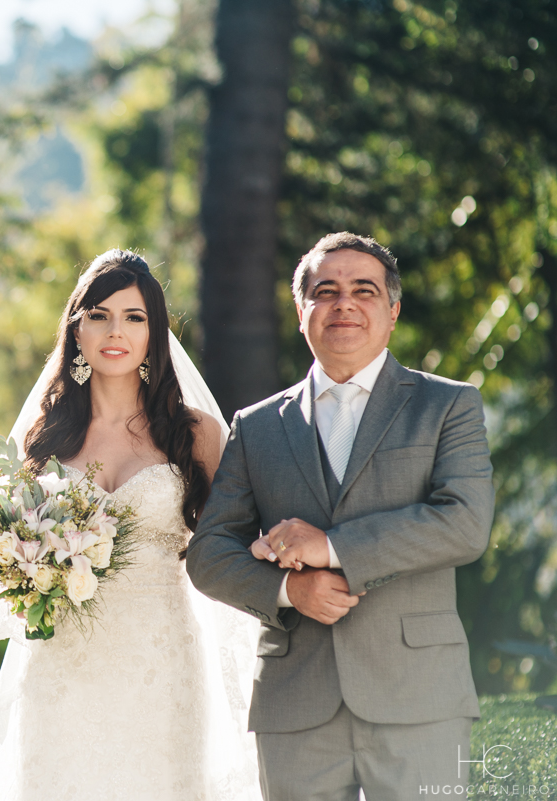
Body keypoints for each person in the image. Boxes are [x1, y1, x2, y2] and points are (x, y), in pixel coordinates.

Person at [185, 232, 494, 801]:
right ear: (300, 312)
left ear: (392, 310)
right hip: (294, 705)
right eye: (325, 291)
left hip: (419, 699)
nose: (344, 303)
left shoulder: (448, 405)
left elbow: (465, 523)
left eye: (364, 290)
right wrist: (288, 590)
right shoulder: (256, 426)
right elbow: (209, 555)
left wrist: (330, 547)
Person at [0, 249, 262, 801]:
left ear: (154, 333)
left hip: (162, 663)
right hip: (60, 667)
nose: (115, 331)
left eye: (134, 317)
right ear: (77, 330)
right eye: (99, 315)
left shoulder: (196, 434)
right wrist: (23, 565)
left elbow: (229, 547)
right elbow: (6, 551)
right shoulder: (43, 438)